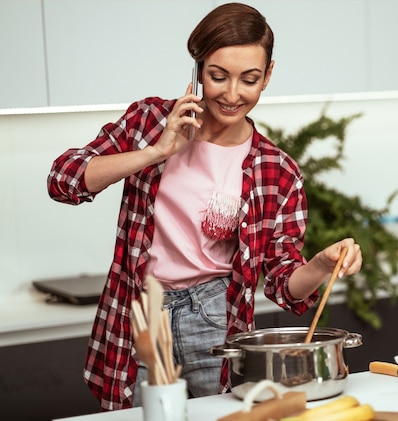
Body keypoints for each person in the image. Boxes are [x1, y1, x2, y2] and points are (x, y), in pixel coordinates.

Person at [47, 2, 362, 411]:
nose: (232, 95)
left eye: (249, 79)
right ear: (198, 71)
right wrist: (157, 151)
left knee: (224, 416)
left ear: (267, 76)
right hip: (143, 310)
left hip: (214, 315)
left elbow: (284, 286)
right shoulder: (149, 121)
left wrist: (320, 264)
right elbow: (63, 180)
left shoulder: (276, 170)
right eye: (218, 76)